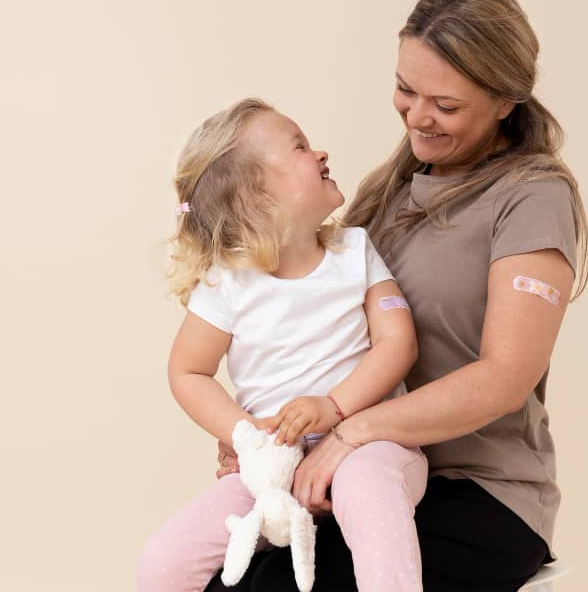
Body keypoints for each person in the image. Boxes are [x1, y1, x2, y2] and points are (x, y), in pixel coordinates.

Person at [208, 0, 588, 592]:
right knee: (220, 578)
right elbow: (322, 334)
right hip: (360, 472)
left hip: (480, 491)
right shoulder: (384, 193)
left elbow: (505, 376)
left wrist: (351, 432)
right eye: (405, 89)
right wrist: (263, 438)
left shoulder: (531, 198)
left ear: (504, 100)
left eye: (445, 103)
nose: (416, 115)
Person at [138, 99, 429, 592]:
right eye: (298, 145)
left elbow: (397, 343)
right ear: (257, 195)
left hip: (369, 445)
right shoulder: (226, 282)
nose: (319, 152)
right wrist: (246, 438)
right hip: (271, 470)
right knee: (162, 563)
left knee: (370, 492)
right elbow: (187, 371)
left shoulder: (355, 251)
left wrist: (334, 407)